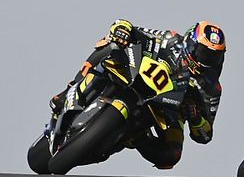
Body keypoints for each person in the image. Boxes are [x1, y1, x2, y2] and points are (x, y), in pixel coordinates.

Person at [46, 18, 226, 169]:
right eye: (203, 52)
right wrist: (122, 30)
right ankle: (69, 90)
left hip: (165, 109)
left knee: (172, 156)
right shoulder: (169, 39)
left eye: (213, 56)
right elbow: (132, 28)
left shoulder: (211, 87)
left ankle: (135, 137)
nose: (207, 60)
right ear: (190, 42)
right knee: (111, 45)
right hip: (132, 75)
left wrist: (195, 118)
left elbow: (205, 135)